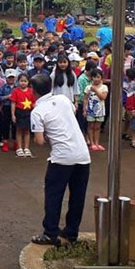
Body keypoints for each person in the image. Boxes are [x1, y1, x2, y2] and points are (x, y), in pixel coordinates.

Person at [30, 74, 91, 246]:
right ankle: (71, 232)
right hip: (82, 154)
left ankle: (50, 232)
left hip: (62, 157)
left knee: (53, 195)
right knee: (77, 196)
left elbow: (39, 141)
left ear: (33, 91)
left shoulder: (37, 111)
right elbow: (72, 112)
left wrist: (49, 136)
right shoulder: (63, 99)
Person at [10, 73, 36, 157]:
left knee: (27, 131)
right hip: (19, 112)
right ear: (18, 82)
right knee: (19, 130)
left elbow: (34, 103)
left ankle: (26, 148)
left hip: (28, 112)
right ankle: (19, 148)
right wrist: (13, 114)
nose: (23, 83)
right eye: (21, 81)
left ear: (28, 82)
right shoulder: (15, 91)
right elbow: (13, 103)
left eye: (25, 81)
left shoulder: (31, 91)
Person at [84, 68, 108, 151]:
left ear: (101, 78)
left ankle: (97, 143)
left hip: (100, 110)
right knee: (90, 126)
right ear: (91, 77)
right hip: (90, 110)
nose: (96, 79)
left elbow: (103, 97)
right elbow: (85, 99)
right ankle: (92, 143)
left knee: (97, 127)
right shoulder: (88, 87)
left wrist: (95, 90)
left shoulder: (104, 87)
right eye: (94, 77)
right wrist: (84, 109)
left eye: (98, 77)